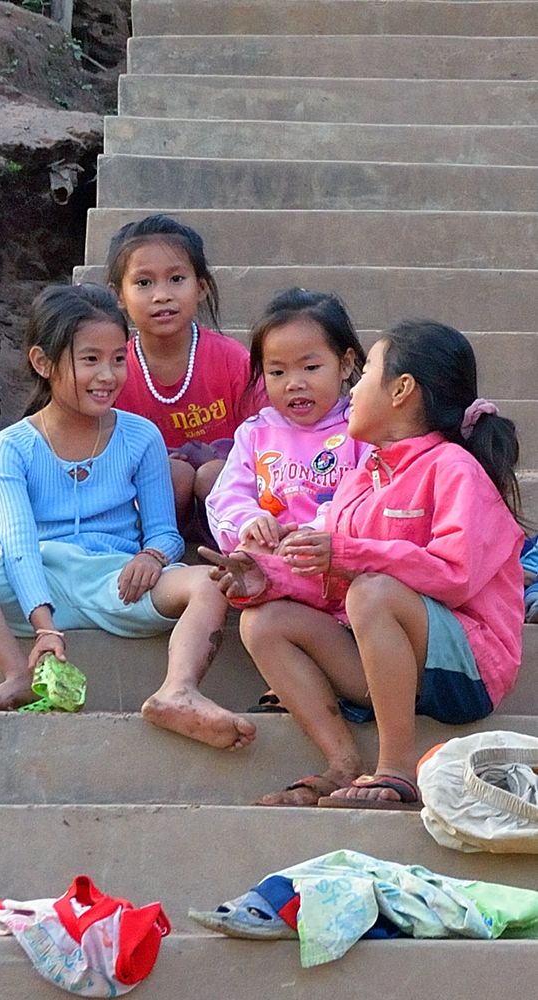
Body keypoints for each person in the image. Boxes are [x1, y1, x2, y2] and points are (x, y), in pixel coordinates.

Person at [0, 283, 255, 751]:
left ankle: (178, 691)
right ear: (43, 363)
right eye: (89, 360)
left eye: (117, 359)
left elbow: (166, 533)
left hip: (114, 581)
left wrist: (152, 555)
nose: (107, 375)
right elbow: (20, 543)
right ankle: (16, 670)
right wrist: (44, 625)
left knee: (209, 583)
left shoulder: (140, 437)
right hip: (30, 577)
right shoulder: (13, 446)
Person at [201, 319, 525, 806]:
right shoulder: (362, 477)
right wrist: (262, 578)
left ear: (401, 390)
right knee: (263, 622)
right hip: (394, 664)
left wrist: (348, 555)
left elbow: (454, 576)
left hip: (469, 669)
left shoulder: (455, 469)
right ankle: (342, 764)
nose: (352, 391)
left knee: (371, 590)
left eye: (367, 371)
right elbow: (329, 583)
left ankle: (394, 770)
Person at [205, 287, 369, 713]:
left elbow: (372, 493)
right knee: (247, 563)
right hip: (277, 564)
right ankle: (293, 677)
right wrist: (249, 520)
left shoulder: (360, 427)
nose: (294, 383)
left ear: (346, 363)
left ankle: (323, 676)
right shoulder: (257, 432)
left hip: (333, 561)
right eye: (276, 373)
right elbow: (228, 493)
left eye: (311, 367)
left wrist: (319, 528)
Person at [106, 213, 261, 537]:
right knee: (171, 474)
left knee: (212, 474)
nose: (161, 295)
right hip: (144, 508)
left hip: (230, 503)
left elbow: (267, 434)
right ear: (119, 294)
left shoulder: (233, 360)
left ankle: (237, 557)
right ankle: (155, 552)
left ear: (201, 286)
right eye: (144, 283)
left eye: (176, 279)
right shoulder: (113, 368)